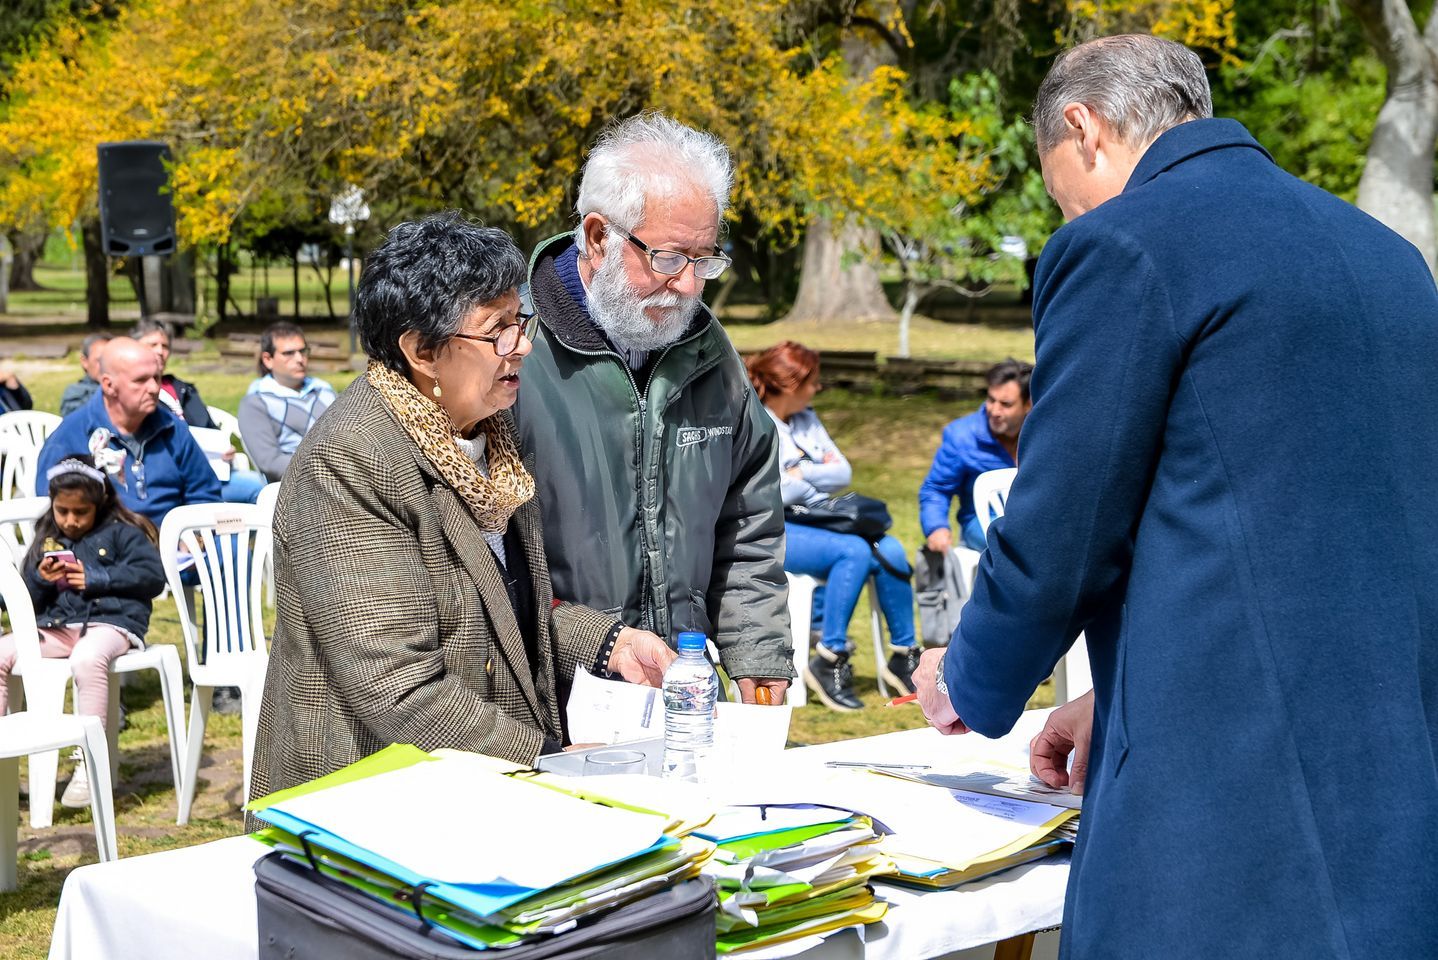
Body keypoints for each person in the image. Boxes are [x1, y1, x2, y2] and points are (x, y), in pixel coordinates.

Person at [912, 35, 1438, 958]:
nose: (1063, 210)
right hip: (1397, 779)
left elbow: (1062, 528)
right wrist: (1117, 695)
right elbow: (1286, 524)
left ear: (1084, 128)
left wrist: (970, 678)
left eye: (1055, 187)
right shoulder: (1391, 257)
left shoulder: (1119, 244)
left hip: (1229, 825)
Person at [249, 214, 677, 803]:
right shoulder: (350, 464)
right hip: (365, 810)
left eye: (519, 321)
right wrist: (549, 761)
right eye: (496, 331)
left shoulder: (488, 439)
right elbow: (399, 691)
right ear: (422, 351)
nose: (522, 346)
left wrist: (608, 643)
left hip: (471, 797)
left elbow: (496, 612)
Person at [517, 113, 792, 705]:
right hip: (544, 697)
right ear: (597, 238)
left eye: (706, 259)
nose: (691, 285)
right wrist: (595, 641)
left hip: (680, 694)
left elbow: (748, 522)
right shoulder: (510, 349)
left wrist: (757, 651)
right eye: (669, 259)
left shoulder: (710, 353)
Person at [748, 341, 919, 710]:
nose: (817, 388)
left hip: (815, 517)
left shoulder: (807, 420)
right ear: (790, 384)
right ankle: (829, 656)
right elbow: (776, 492)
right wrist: (804, 481)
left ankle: (904, 653)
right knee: (853, 550)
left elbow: (842, 472)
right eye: (812, 381)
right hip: (770, 528)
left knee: (889, 548)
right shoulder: (755, 420)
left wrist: (801, 472)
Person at [0, 454, 165, 807]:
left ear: (100, 503)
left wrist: (97, 578)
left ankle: (89, 764)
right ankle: (3, 766)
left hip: (111, 623)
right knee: (1, 653)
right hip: (57, 625)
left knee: (87, 658)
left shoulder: (124, 532)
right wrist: (38, 580)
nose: (71, 521)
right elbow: (20, 602)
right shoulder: (47, 536)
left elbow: (153, 578)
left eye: (81, 512)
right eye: (63, 511)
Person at [37, 337, 222, 526]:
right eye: (140, 380)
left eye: (156, 377)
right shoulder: (71, 435)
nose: (153, 388)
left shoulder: (173, 428)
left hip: (174, 545)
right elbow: (53, 509)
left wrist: (193, 538)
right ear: (109, 385)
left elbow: (205, 493)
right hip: (104, 548)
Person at [131, 318, 264, 504]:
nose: (160, 351)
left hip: (214, 475)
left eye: (165, 346)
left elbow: (210, 429)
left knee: (263, 487)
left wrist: (226, 449)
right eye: (153, 344)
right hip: (173, 483)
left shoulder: (185, 390)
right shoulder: (134, 393)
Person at [918, 359, 1032, 553]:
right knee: (1014, 545)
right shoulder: (962, 437)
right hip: (980, 521)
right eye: (990, 399)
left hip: (1031, 521)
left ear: (1027, 405)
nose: (994, 410)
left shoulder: (1042, 437)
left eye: (1005, 404)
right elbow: (936, 489)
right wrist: (936, 527)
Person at [237, 321, 336, 482]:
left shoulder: (325, 391)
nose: (299, 359)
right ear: (268, 359)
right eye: (289, 353)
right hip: (296, 489)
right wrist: (328, 469)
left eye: (303, 351)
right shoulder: (256, 403)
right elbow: (270, 463)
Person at [60, 333, 114, 417]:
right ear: (85, 361)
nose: (106, 366)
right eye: (100, 360)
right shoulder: (75, 393)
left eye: (111, 360)